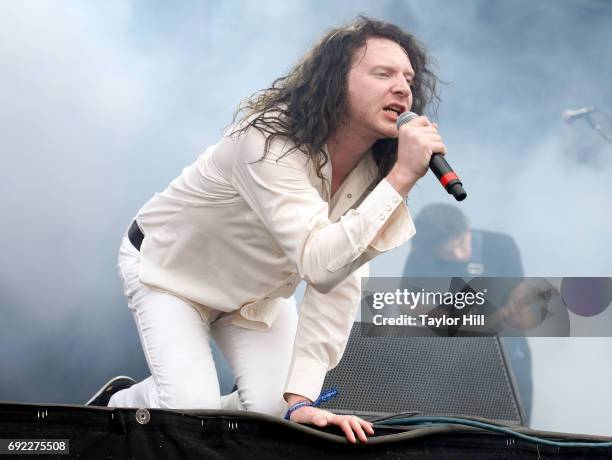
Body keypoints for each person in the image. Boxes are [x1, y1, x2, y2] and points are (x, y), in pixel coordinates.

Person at [86, 16, 445, 443]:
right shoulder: (267, 139)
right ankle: (121, 402)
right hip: (172, 272)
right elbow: (320, 263)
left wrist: (301, 399)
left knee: (280, 420)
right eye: (382, 73)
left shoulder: (377, 169)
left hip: (255, 294)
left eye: (408, 77)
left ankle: (227, 407)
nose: (403, 87)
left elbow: (341, 279)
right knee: (190, 414)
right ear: (335, 81)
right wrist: (403, 177)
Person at [402, 203, 533, 424]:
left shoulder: (501, 246)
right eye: (447, 252)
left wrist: (518, 310)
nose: (459, 254)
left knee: (517, 433)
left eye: (462, 243)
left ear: (468, 229)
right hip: (453, 366)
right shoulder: (421, 259)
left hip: (509, 358)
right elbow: (407, 304)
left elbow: (520, 291)